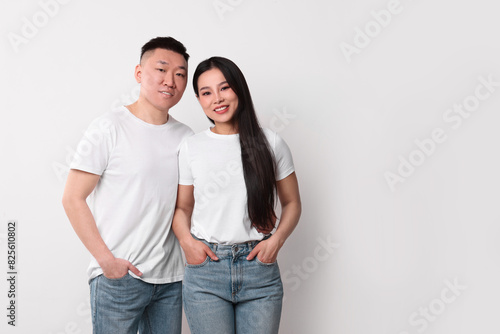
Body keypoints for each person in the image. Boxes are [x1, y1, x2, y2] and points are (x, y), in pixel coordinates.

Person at [62, 36, 193, 334]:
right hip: (119, 278)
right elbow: (72, 198)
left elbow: (186, 206)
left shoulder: (186, 137)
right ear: (139, 73)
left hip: (170, 280)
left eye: (180, 74)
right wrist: (107, 262)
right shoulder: (109, 126)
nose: (170, 81)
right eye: (161, 69)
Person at [172, 56, 302, 334]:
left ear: (239, 89)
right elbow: (182, 208)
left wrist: (276, 241)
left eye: (225, 88)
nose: (217, 98)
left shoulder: (272, 143)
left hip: (259, 270)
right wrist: (187, 243)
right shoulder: (191, 147)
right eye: (206, 93)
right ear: (199, 99)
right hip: (207, 271)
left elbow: (292, 203)